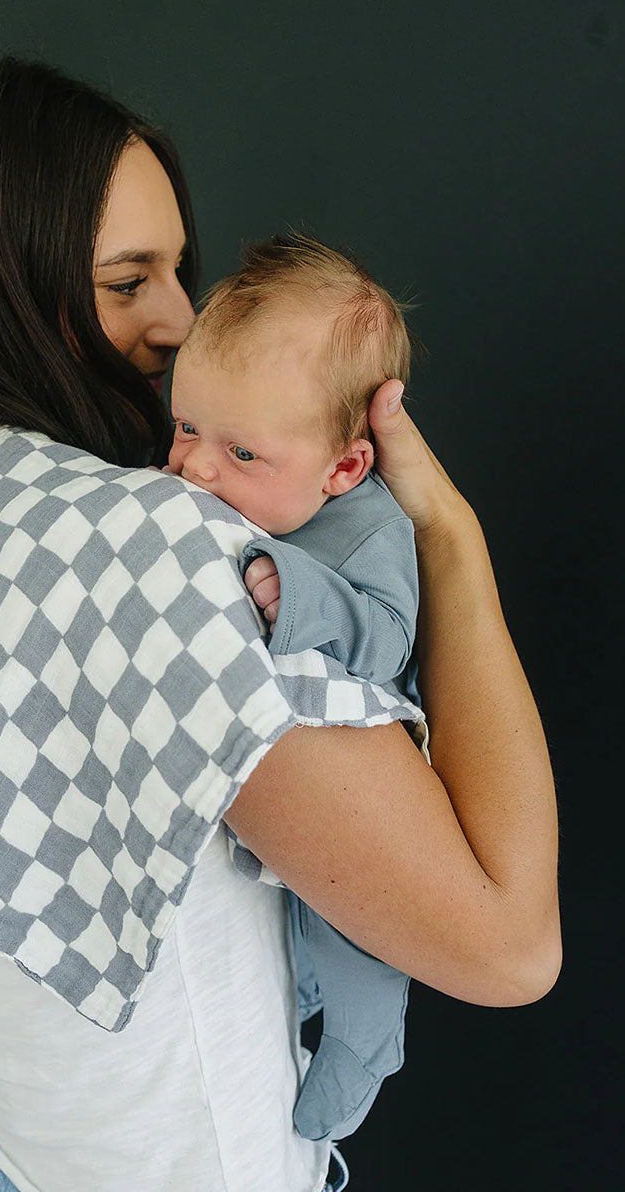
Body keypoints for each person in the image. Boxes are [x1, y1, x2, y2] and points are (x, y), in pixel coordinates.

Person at [0, 55, 561, 1192]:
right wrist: (449, 538)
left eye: (176, 270)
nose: (178, 321)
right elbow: (508, 948)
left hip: (7, 1157)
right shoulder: (160, 544)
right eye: (125, 283)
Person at [164, 230, 421, 1141]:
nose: (194, 465)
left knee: (355, 938)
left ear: (343, 467)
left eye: (240, 454)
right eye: (187, 427)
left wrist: (297, 591)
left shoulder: (367, 530)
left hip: (364, 784)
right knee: (276, 928)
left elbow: (386, 640)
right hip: (267, 770)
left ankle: (365, 1044)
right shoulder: (229, 489)